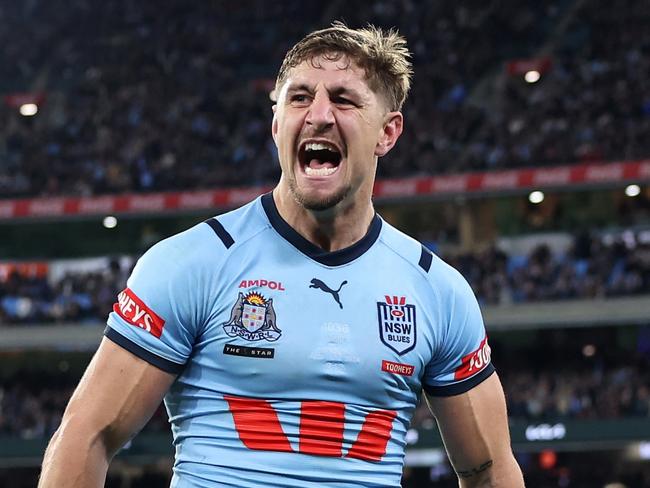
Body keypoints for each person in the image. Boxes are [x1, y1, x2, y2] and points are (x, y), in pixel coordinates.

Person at [39, 22, 524, 487]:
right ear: (276, 124)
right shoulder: (193, 264)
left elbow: (489, 470)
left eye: (343, 99)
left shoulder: (437, 291)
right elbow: (88, 436)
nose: (317, 115)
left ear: (388, 133)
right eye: (298, 98)